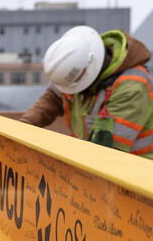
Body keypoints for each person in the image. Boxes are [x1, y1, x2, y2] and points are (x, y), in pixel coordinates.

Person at [20, 26, 153, 159]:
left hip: (136, 171)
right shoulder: (75, 72)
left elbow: (106, 151)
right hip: (94, 163)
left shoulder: (132, 86)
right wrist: (24, 125)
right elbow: (53, 98)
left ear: (88, 72)